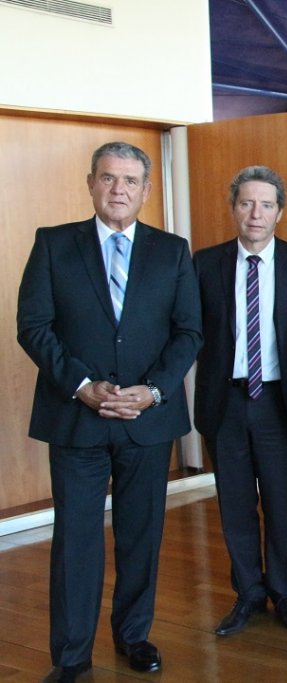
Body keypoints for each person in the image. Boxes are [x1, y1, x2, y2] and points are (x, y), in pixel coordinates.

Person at [16, 141, 202, 682]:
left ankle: (133, 635)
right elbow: (34, 326)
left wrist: (154, 391)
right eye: (107, 178)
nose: (117, 189)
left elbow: (189, 331)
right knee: (76, 540)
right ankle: (71, 658)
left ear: (146, 190)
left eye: (129, 180)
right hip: (76, 418)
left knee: (140, 535)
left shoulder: (171, 251)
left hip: (148, 420)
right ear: (90, 182)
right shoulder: (53, 244)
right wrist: (80, 385)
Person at [193, 166, 287, 637]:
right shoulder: (205, 263)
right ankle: (248, 594)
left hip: (278, 402)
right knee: (235, 504)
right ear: (233, 209)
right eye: (246, 203)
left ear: (280, 211)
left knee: (279, 505)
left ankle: (284, 592)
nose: (256, 213)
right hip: (225, 401)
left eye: (266, 204)